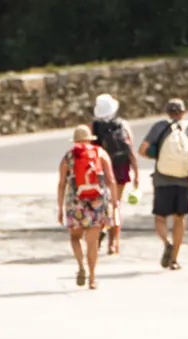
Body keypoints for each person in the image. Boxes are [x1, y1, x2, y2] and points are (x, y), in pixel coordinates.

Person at [139, 98, 188, 271]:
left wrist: (158, 156)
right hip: (185, 180)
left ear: (167, 112)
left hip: (162, 179)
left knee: (160, 217)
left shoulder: (159, 127)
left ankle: (167, 243)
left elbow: (142, 150)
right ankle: (174, 259)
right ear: (183, 112)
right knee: (179, 217)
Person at [58, 125, 118, 289]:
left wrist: (59, 208)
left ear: (75, 140)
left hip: (75, 202)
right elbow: (111, 179)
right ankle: (92, 278)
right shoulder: (100, 153)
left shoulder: (68, 156)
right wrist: (114, 201)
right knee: (93, 242)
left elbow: (61, 184)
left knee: (75, 237)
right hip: (97, 202)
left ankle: (80, 266)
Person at [92, 93, 139, 255]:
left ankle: (102, 228)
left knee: (101, 205)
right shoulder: (123, 124)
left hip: (101, 169)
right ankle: (114, 243)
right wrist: (136, 173)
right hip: (120, 168)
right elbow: (130, 149)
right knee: (115, 204)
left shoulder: (94, 127)